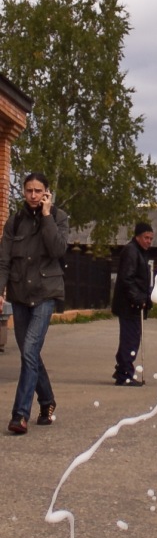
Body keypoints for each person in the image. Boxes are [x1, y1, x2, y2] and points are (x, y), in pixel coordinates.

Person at [0, 173, 69, 434]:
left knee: (29, 349)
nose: (33, 195)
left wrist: (47, 215)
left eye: (38, 191)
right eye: (29, 190)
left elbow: (58, 250)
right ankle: (47, 400)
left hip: (45, 294)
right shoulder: (15, 221)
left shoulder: (59, 217)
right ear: (23, 191)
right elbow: (4, 261)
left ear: (46, 193)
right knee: (29, 353)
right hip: (19, 294)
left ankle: (20, 415)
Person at [111, 221, 153, 386]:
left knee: (132, 339)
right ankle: (125, 374)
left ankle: (123, 370)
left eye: (151, 238)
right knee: (130, 340)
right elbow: (126, 279)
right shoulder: (131, 251)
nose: (149, 241)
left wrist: (146, 298)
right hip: (129, 305)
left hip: (133, 304)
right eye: (146, 238)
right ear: (138, 237)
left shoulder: (140, 252)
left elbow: (140, 280)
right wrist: (138, 299)